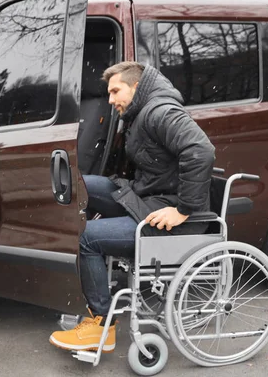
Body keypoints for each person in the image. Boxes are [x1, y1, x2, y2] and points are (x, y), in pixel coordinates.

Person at [49, 61, 215, 353]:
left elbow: (201, 151)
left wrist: (183, 210)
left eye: (115, 91)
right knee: (81, 186)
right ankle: (88, 282)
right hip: (147, 200)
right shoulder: (141, 112)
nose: (110, 100)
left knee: (87, 238)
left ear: (136, 87)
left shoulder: (161, 111)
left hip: (173, 216)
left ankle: (101, 324)